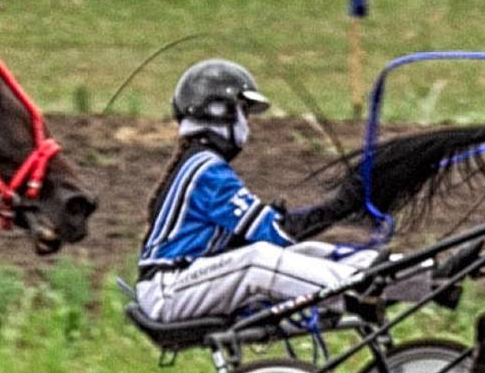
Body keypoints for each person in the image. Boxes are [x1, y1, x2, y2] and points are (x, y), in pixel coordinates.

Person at [127, 57, 379, 339]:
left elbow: (275, 236)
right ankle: (356, 290)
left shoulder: (199, 164)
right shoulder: (204, 169)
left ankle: (402, 275)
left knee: (307, 254)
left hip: (184, 285)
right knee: (257, 260)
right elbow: (275, 233)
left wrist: (335, 209)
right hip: (168, 292)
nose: (248, 123)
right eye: (244, 112)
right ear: (218, 110)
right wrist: (340, 206)